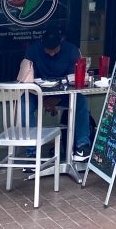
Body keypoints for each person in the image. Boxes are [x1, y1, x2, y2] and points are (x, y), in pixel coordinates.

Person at [23, 28, 90, 160]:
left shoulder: (71, 51)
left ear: (61, 43)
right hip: (36, 93)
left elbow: (73, 80)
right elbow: (26, 78)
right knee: (24, 105)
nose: (52, 54)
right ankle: (31, 152)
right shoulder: (32, 50)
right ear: (42, 44)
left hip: (64, 93)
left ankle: (83, 146)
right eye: (49, 50)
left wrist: (56, 98)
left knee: (80, 100)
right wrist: (44, 97)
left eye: (55, 50)